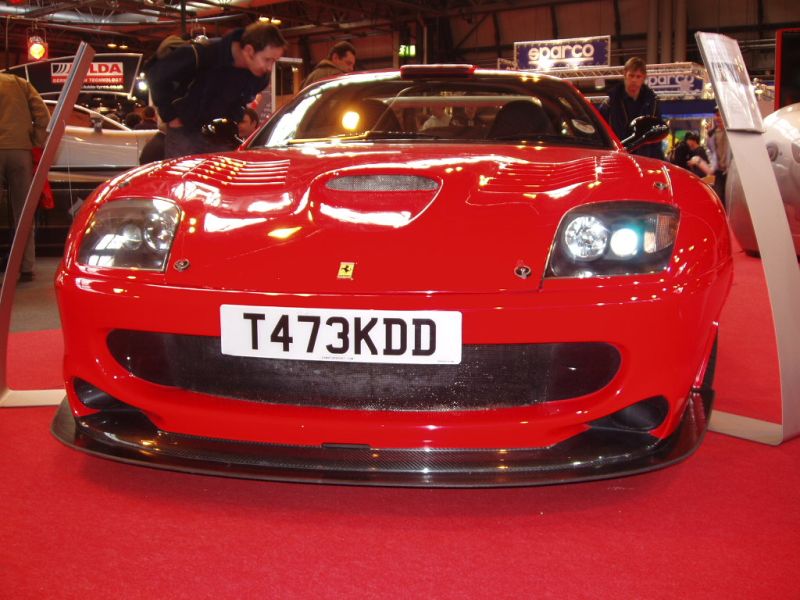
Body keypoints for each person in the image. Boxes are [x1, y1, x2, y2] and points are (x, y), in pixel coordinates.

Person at [147, 21, 287, 158]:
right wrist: (171, 116)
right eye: (267, 59)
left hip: (221, 136)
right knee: (183, 177)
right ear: (249, 51)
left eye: (274, 61)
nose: (269, 67)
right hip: (184, 130)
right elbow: (156, 76)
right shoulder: (202, 54)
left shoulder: (260, 77)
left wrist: (233, 121)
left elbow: (240, 101)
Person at [0, 72, 50, 282]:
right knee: (23, 210)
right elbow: (43, 115)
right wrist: (35, 142)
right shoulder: (19, 83)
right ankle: (26, 265)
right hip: (19, 150)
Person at [599, 56, 663, 159]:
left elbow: (656, 139)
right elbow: (600, 134)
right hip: (616, 159)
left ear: (644, 78)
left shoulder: (653, 105)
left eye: (638, 76)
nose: (634, 80)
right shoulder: (609, 104)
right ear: (625, 74)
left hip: (643, 161)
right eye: (631, 75)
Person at [707, 107, 731, 207]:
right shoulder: (712, 135)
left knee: (730, 198)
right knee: (719, 198)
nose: (718, 118)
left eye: (720, 115)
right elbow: (710, 152)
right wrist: (712, 165)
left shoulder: (732, 133)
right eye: (717, 115)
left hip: (731, 171)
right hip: (719, 171)